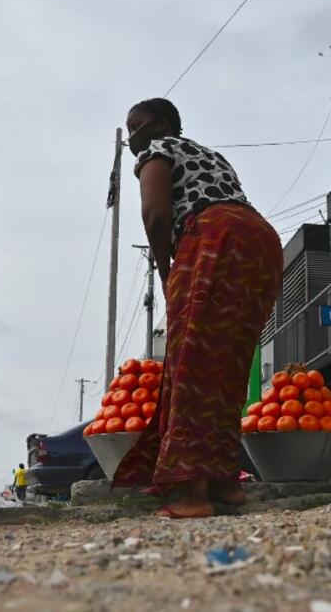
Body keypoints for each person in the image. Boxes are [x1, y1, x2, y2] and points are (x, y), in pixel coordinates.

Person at [112, 98, 282, 519]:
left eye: (137, 125)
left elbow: (155, 216)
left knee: (193, 362)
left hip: (214, 237)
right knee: (227, 363)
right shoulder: (211, 155)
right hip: (260, 241)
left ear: (164, 124)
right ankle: (225, 482)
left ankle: (191, 490)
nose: (132, 136)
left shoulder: (159, 150)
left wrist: (167, 270)